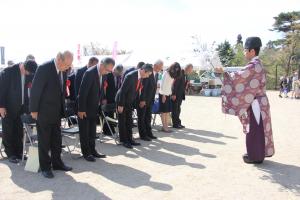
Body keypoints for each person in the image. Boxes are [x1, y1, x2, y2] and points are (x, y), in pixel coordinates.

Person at [216, 37, 275, 164]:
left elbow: (239, 77)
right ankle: (257, 154)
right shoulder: (256, 64)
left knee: (255, 130)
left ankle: (255, 156)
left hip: (256, 104)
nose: (244, 53)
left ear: (252, 51)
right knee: (257, 129)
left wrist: (224, 72)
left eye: (245, 50)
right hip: (258, 102)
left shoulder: (254, 65)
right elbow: (242, 74)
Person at [30, 51, 73, 178]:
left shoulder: (63, 70)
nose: (68, 68)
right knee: (44, 141)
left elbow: (61, 91)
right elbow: (35, 90)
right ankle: (45, 167)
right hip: (43, 112)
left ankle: (57, 163)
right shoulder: (44, 68)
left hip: (56, 111)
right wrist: (34, 110)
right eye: (66, 65)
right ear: (59, 59)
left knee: (56, 140)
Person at [77, 58, 115, 162]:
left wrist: (101, 100)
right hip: (85, 108)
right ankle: (86, 153)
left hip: (95, 107)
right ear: (102, 65)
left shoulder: (104, 74)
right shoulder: (90, 73)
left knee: (92, 131)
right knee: (85, 132)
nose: (108, 72)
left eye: (110, 71)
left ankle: (93, 150)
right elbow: (82, 93)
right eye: (108, 70)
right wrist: (81, 109)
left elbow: (101, 88)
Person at [0, 60, 38, 163]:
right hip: (8, 107)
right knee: (8, 131)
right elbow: (1, 90)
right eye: (27, 72)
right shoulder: (8, 72)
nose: (28, 75)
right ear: (22, 66)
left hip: (21, 107)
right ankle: (10, 153)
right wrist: (1, 106)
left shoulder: (29, 74)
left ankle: (19, 152)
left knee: (18, 131)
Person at [116, 64, 153, 148]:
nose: (148, 76)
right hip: (122, 100)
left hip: (129, 101)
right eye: (148, 74)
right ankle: (124, 141)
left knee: (129, 121)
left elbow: (137, 90)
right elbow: (122, 91)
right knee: (122, 121)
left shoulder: (141, 77)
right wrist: (121, 105)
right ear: (144, 71)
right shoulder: (131, 76)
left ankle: (130, 139)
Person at [136, 60, 163, 140]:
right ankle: (143, 135)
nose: (160, 69)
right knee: (142, 117)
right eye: (159, 68)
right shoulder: (147, 72)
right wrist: (142, 99)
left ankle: (149, 133)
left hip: (150, 99)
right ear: (154, 65)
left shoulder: (157, 74)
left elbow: (153, 87)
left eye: (161, 68)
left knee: (148, 117)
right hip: (143, 99)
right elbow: (143, 87)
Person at [101, 64, 123, 136]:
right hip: (107, 98)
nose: (119, 74)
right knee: (107, 114)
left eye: (120, 72)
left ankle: (110, 129)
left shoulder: (118, 77)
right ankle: (106, 130)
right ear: (115, 70)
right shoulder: (108, 75)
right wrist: (104, 98)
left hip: (114, 98)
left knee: (111, 115)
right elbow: (103, 87)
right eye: (118, 72)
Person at [159, 62, 181, 132]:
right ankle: (164, 127)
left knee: (167, 111)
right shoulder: (166, 73)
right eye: (175, 69)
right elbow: (162, 85)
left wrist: (170, 94)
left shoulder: (172, 74)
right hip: (163, 94)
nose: (176, 70)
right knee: (164, 111)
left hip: (168, 94)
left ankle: (165, 126)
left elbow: (170, 85)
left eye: (177, 69)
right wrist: (163, 95)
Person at [171, 63, 193, 129]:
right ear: (187, 68)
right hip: (176, 94)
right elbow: (174, 84)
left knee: (178, 109)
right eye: (191, 69)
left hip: (180, 94)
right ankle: (175, 124)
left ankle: (178, 123)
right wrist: (173, 94)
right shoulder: (180, 73)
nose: (191, 71)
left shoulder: (185, 74)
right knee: (175, 110)